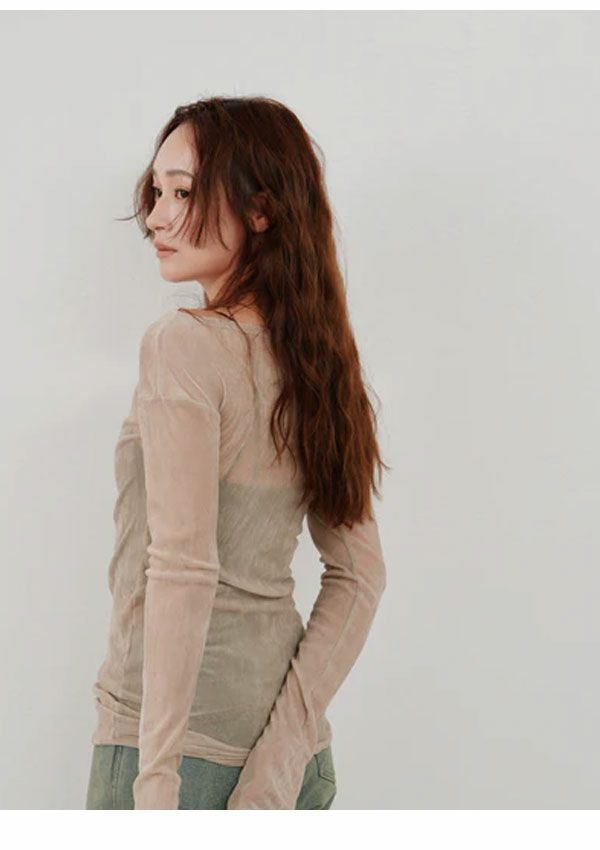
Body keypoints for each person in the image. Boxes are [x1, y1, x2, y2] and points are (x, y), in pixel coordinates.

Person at [85, 96, 389, 810]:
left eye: (183, 193)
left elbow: (183, 568)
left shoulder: (184, 344)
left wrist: (156, 786)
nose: (157, 217)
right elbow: (361, 575)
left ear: (260, 210)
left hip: (173, 761)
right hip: (293, 764)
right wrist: (280, 760)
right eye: (156, 192)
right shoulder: (317, 361)